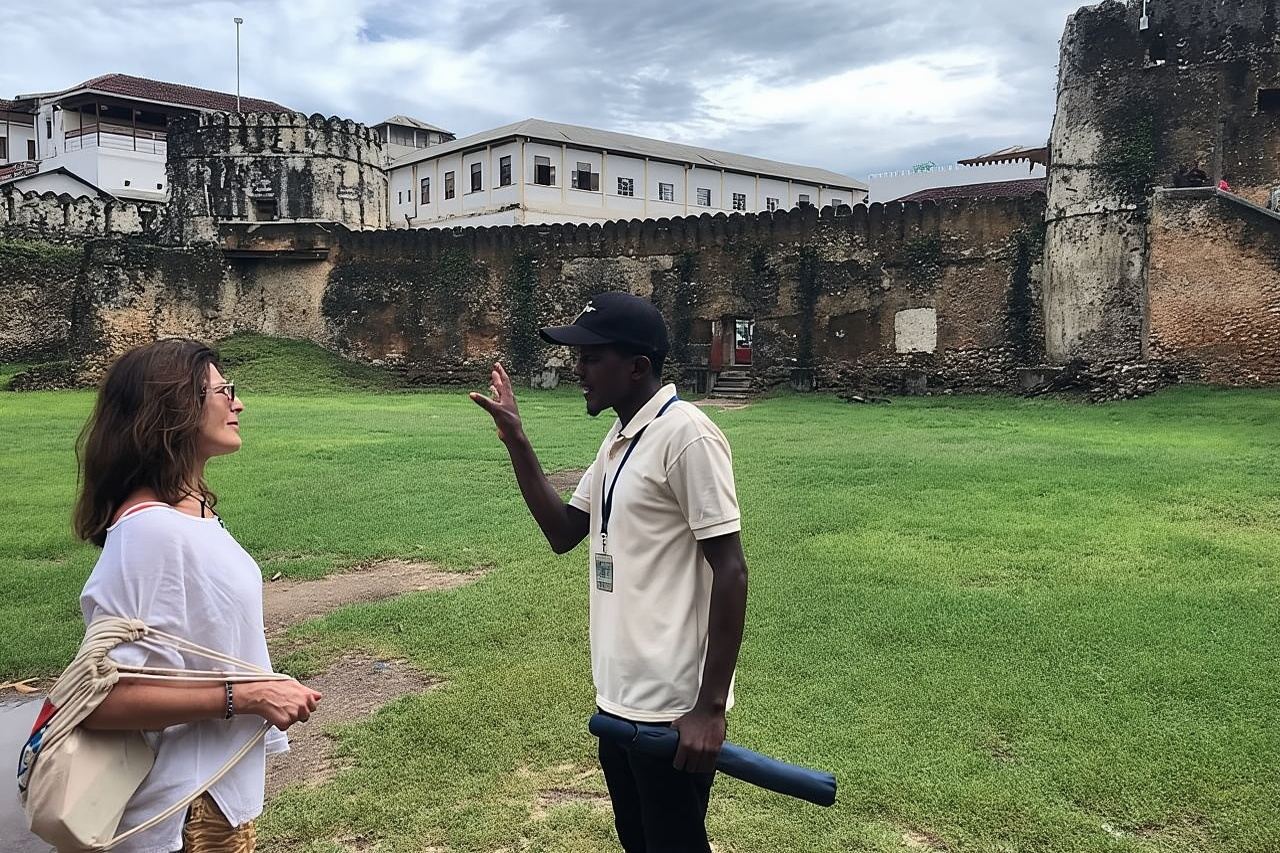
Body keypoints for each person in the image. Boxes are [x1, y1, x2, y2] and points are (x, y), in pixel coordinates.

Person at [471, 292, 749, 852]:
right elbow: (563, 532)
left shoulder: (686, 436)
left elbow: (732, 569)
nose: (578, 370)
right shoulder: (620, 439)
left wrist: (709, 710)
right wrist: (517, 441)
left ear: (637, 366)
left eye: (591, 358)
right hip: (618, 699)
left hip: (672, 710)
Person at [73, 338, 322, 853]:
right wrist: (249, 695)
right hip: (181, 813)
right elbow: (101, 698)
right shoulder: (149, 533)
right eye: (222, 390)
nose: (238, 402)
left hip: (214, 796)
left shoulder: (192, 514)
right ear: (174, 408)